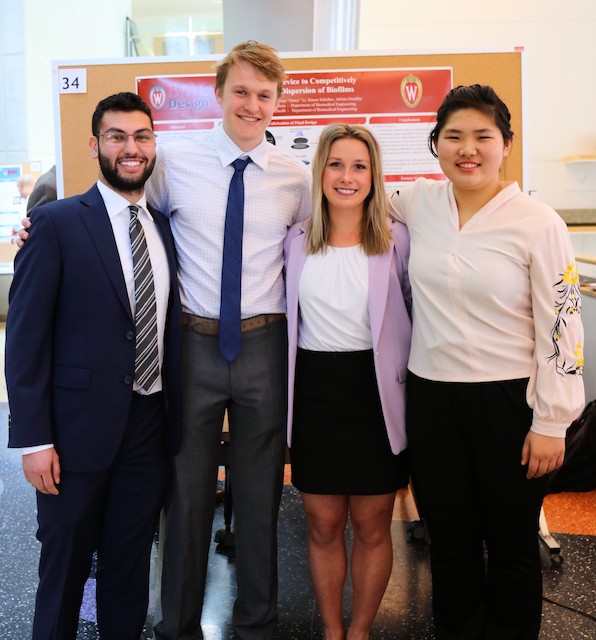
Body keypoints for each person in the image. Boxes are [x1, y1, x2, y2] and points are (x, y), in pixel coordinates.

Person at [388, 84, 585, 640]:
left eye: (482, 136)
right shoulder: (419, 203)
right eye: (453, 136)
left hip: (509, 402)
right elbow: (349, 193)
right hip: (432, 400)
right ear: (435, 144)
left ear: (506, 145)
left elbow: (562, 324)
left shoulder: (537, 221)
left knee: (511, 544)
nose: (467, 149)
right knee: (449, 542)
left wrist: (552, 422)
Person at [145, 41, 311, 640]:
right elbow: (133, 217)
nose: (252, 104)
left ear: (278, 102)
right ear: (218, 93)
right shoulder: (174, 162)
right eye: (241, 91)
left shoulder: (297, 177)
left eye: (264, 95)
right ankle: (179, 626)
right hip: (194, 345)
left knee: (261, 491)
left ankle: (257, 623)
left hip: (265, 345)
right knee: (186, 495)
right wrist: (46, 223)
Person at [5, 92, 182, 640]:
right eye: (117, 137)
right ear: (95, 145)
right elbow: (25, 339)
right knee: (64, 571)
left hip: (148, 425)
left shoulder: (165, 226)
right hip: (72, 433)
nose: (131, 149)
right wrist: (33, 439)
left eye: (141, 137)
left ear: (153, 146)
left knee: (128, 568)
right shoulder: (55, 223)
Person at [284, 123, 411, 640]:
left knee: (373, 527)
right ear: (320, 171)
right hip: (314, 391)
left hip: (377, 396)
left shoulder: (397, 238)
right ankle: (332, 633)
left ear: (374, 175)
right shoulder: (294, 239)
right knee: (322, 525)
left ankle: (359, 632)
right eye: (336, 164)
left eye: (359, 166)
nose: (347, 176)